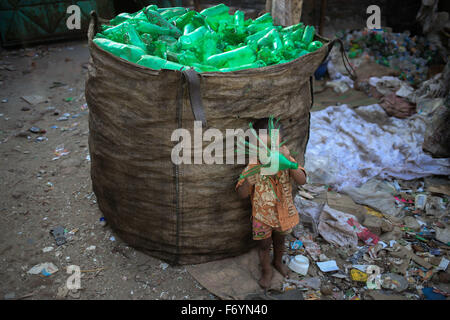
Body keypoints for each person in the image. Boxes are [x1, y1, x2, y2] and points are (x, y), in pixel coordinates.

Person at [236, 118, 307, 289]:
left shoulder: (286, 161)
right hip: (262, 217)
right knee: (264, 245)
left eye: (273, 147)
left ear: (282, 144)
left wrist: (289, 162)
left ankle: (277, 262)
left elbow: (302, 181)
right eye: (263, 147)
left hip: (284, 213)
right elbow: (241, 194)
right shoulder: (253, 166)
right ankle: (266, 270)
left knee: (281, 241)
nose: (268, 152)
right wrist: (248, 182)